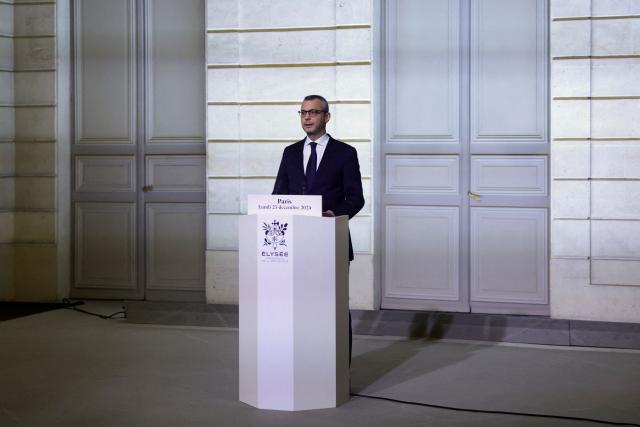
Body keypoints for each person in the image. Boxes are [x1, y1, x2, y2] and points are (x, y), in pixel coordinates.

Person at [273, 94, 365, 364]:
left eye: (313, 112)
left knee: (332, 308)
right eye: (302, 112)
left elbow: (356, 198)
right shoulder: (290, 153)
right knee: (298, 308)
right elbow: (278, 194)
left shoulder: (345, 153)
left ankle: (338, 369)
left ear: (327, 117)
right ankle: (303, 364)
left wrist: (333, 214)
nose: (307, 117)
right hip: (294, 245)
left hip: (330, 241)